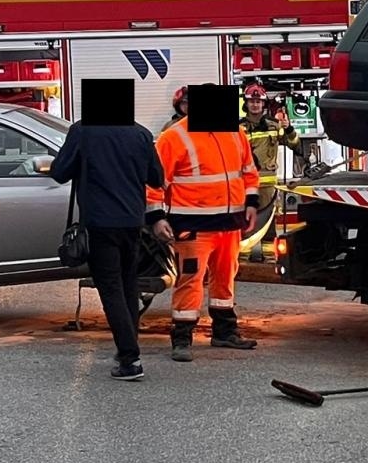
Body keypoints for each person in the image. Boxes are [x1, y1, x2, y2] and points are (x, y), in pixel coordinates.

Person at [146, 90, 261, 360]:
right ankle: (182, 338)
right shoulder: (174, 137)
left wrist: (252, 203)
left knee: (225, 278)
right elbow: (154, 181)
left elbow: (248, 171)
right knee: (190, 280)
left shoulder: (234, 133)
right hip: (193, 225)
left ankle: (224, 331)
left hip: (229, 224)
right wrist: (156, 218)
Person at [50, 117, 167, 381]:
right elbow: (156, 177)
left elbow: (59, 172)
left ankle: (130, 358)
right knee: (127, 285)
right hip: (132, 223)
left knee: (111, 288)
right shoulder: (140, 133)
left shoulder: (82, 131)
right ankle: (128, 349)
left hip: (101, 223)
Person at [240, 84, 299, 203]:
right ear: (246, 104)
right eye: (252, 101)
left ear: (263, 104)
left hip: (268, 186)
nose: (255, 105)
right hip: (245, 185)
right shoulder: (239, 128)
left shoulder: (274, 125)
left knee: (269, 218)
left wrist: (289, 129)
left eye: (258, 101)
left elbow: (293, 144)